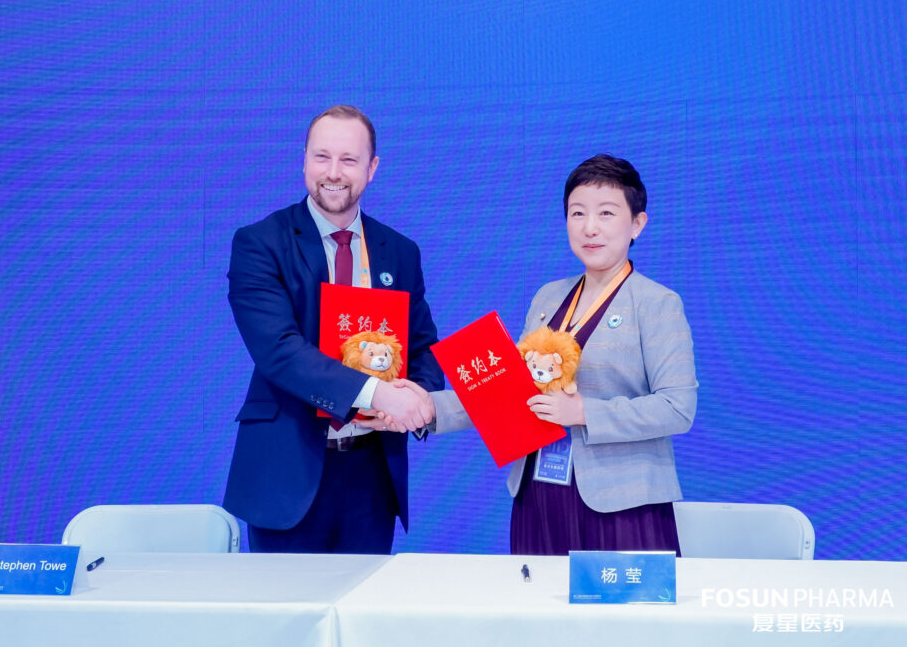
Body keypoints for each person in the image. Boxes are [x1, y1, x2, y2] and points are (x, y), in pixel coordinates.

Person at [398, 154, 697, 554]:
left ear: (637, 224)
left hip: (620, 504)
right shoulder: (548, 297)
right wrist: (427, 407)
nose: (590, 228)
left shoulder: (657, 303)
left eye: (607, 213)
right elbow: (506, 392)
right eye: (578, 213)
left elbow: (677, 408)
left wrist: (584, 412)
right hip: (539, 492)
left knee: (618, 617)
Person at [224, 105, 441, 554]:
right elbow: (279, 351)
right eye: (322, 157)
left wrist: (417, 397)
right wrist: (378, 395)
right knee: (285, 617)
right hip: (288, 473)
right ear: (304, 160)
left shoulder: (399, 251)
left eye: (349, 159)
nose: (333, 172)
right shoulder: (260, 243)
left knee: (364, 617)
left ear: (372, 168)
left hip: (372, 475)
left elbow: (422, 347)